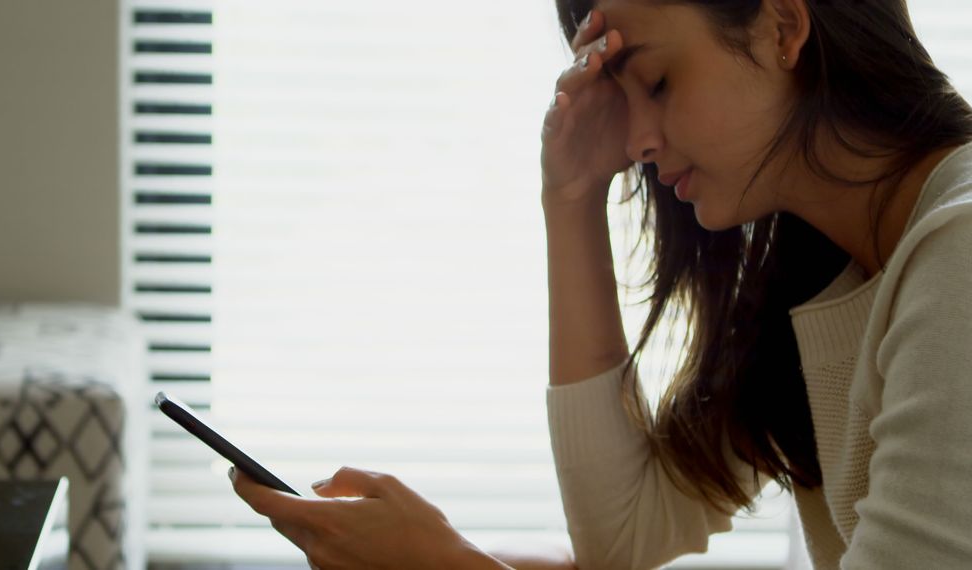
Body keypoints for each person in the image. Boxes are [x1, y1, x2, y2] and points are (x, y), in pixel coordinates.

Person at [228, 0, 972, 568]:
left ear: (781, 26)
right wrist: (573, 194)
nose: (638, 140)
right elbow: (626, 534)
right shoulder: (826, 272)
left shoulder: (959, 252)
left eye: (655, 79)